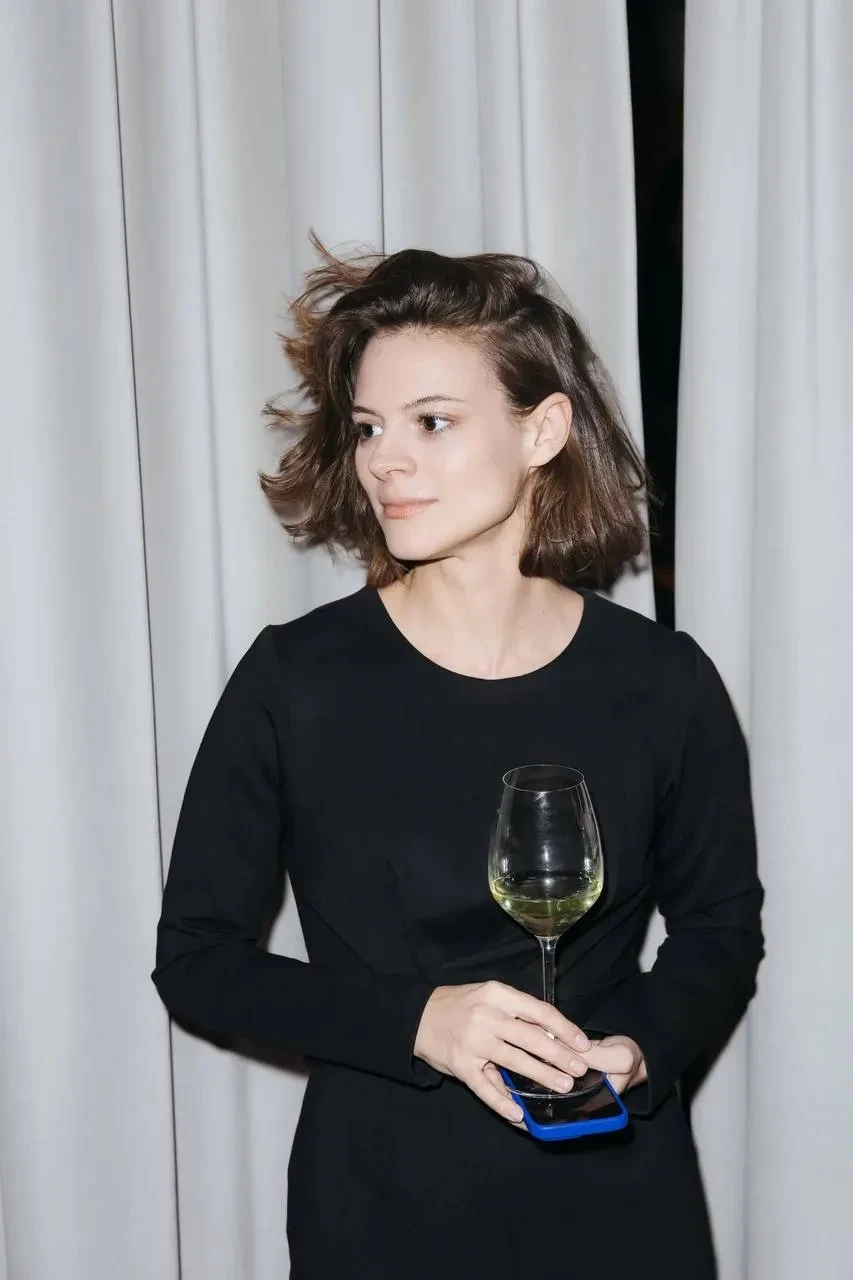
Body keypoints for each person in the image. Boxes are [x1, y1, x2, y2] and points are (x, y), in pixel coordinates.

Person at [152, 242, 764, 1279]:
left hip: (619, 1197)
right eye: (368, 427)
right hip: (384, 1207)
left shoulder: (662, 680)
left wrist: (637, 1050)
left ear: (542, 430)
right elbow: (197, 959)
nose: (384, 460)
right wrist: (417, 1020)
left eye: (431, 421)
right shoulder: (296, 680)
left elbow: (719, 932)